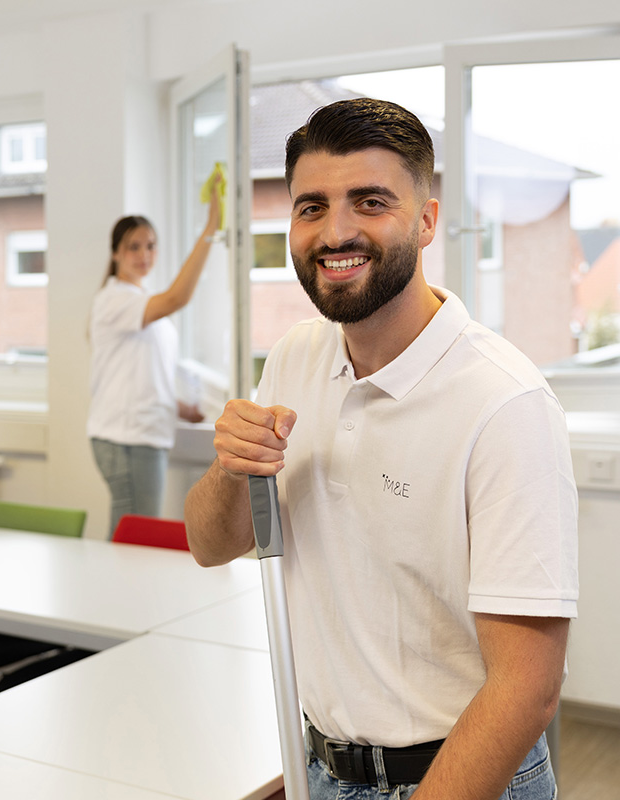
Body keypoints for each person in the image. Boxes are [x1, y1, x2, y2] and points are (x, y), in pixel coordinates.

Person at [185, 99, 578, 800]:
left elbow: (527, 689)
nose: (336, 232)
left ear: (426, 221)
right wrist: (230, 464)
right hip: (322, 768)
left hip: (463, 777)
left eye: (370, 202)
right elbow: (211, 545)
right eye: (311, 207)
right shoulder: (294, 358)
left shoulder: (503, 402)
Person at [88, 178, 221, 538]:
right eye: (133, 247)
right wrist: (210, 228)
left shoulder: (137, 299)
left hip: (140, 435)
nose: (144, 255)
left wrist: (179, 407)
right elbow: (178, 297)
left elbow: (141, 374)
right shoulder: (116, 299)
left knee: (131, 536)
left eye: (150, 246)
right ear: (115, 253)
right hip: (127, 439)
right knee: (135, 539)